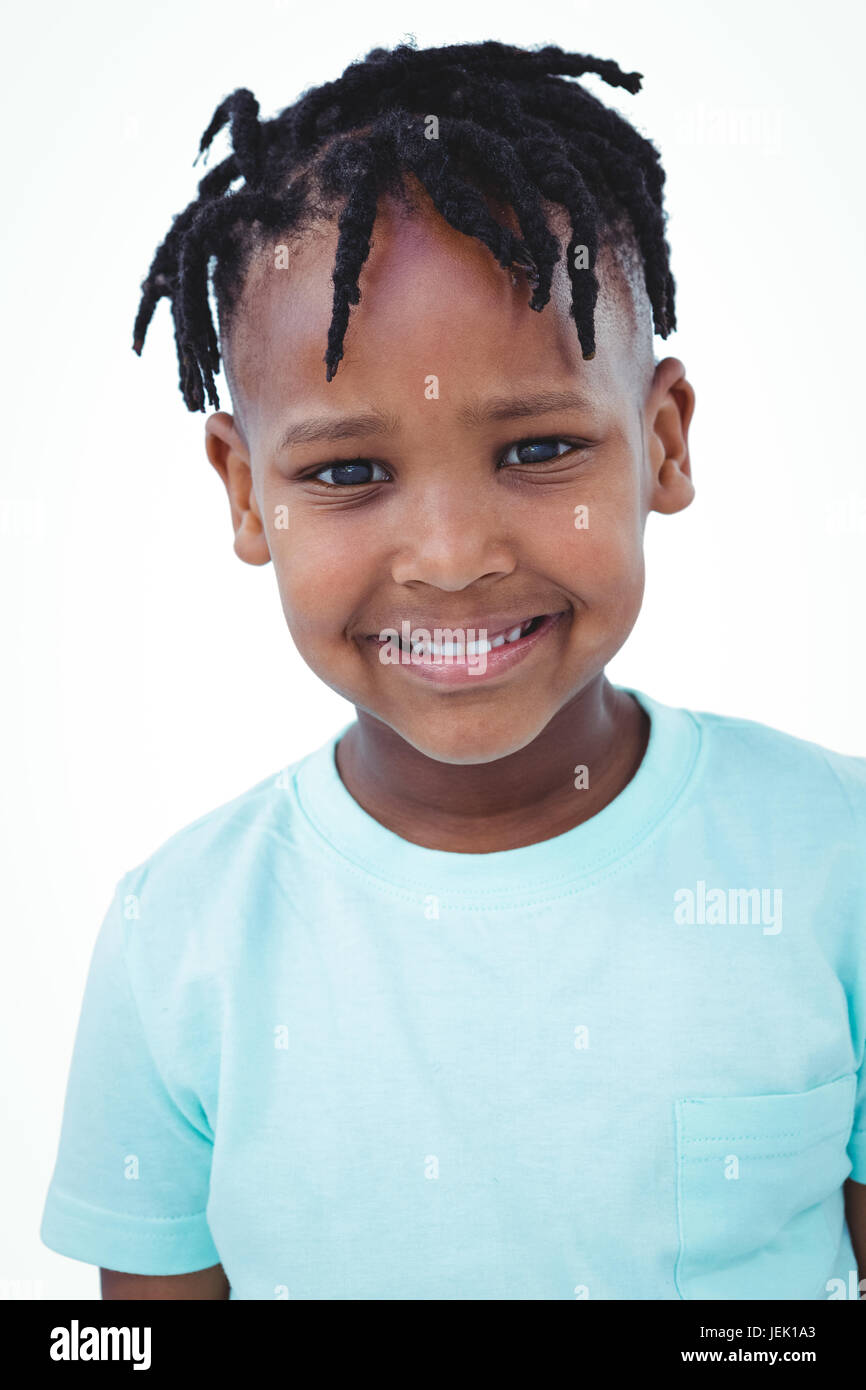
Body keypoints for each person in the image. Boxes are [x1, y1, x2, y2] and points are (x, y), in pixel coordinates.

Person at [40, 39, 866, 1301]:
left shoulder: (833, 859)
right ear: (244, 493)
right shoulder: (178, 941)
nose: (450, 557)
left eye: (537, 448)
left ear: (661, 444)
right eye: (348, 472)